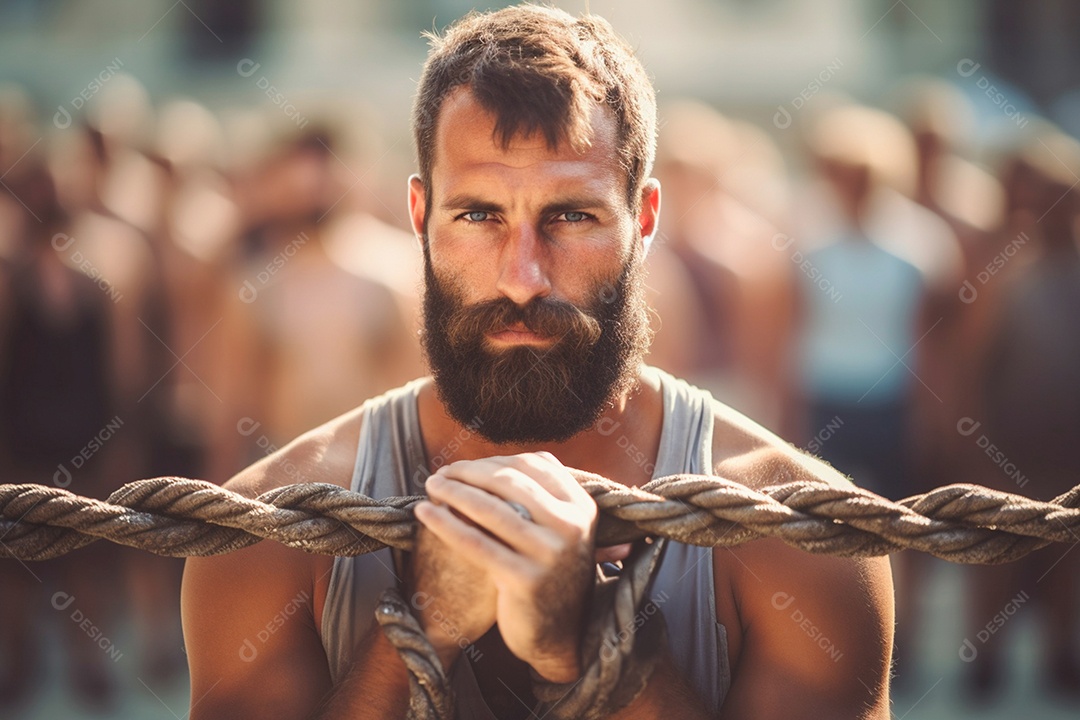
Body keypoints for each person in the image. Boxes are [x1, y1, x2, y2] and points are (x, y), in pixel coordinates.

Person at [181, 6, 893, 719]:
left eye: (572, 216)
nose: (523, 278)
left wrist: (590, 646)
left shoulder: (799, 536)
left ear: (644, 220)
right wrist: (419, 630)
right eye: (478, 216)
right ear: (419, 216)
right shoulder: (265, 531)